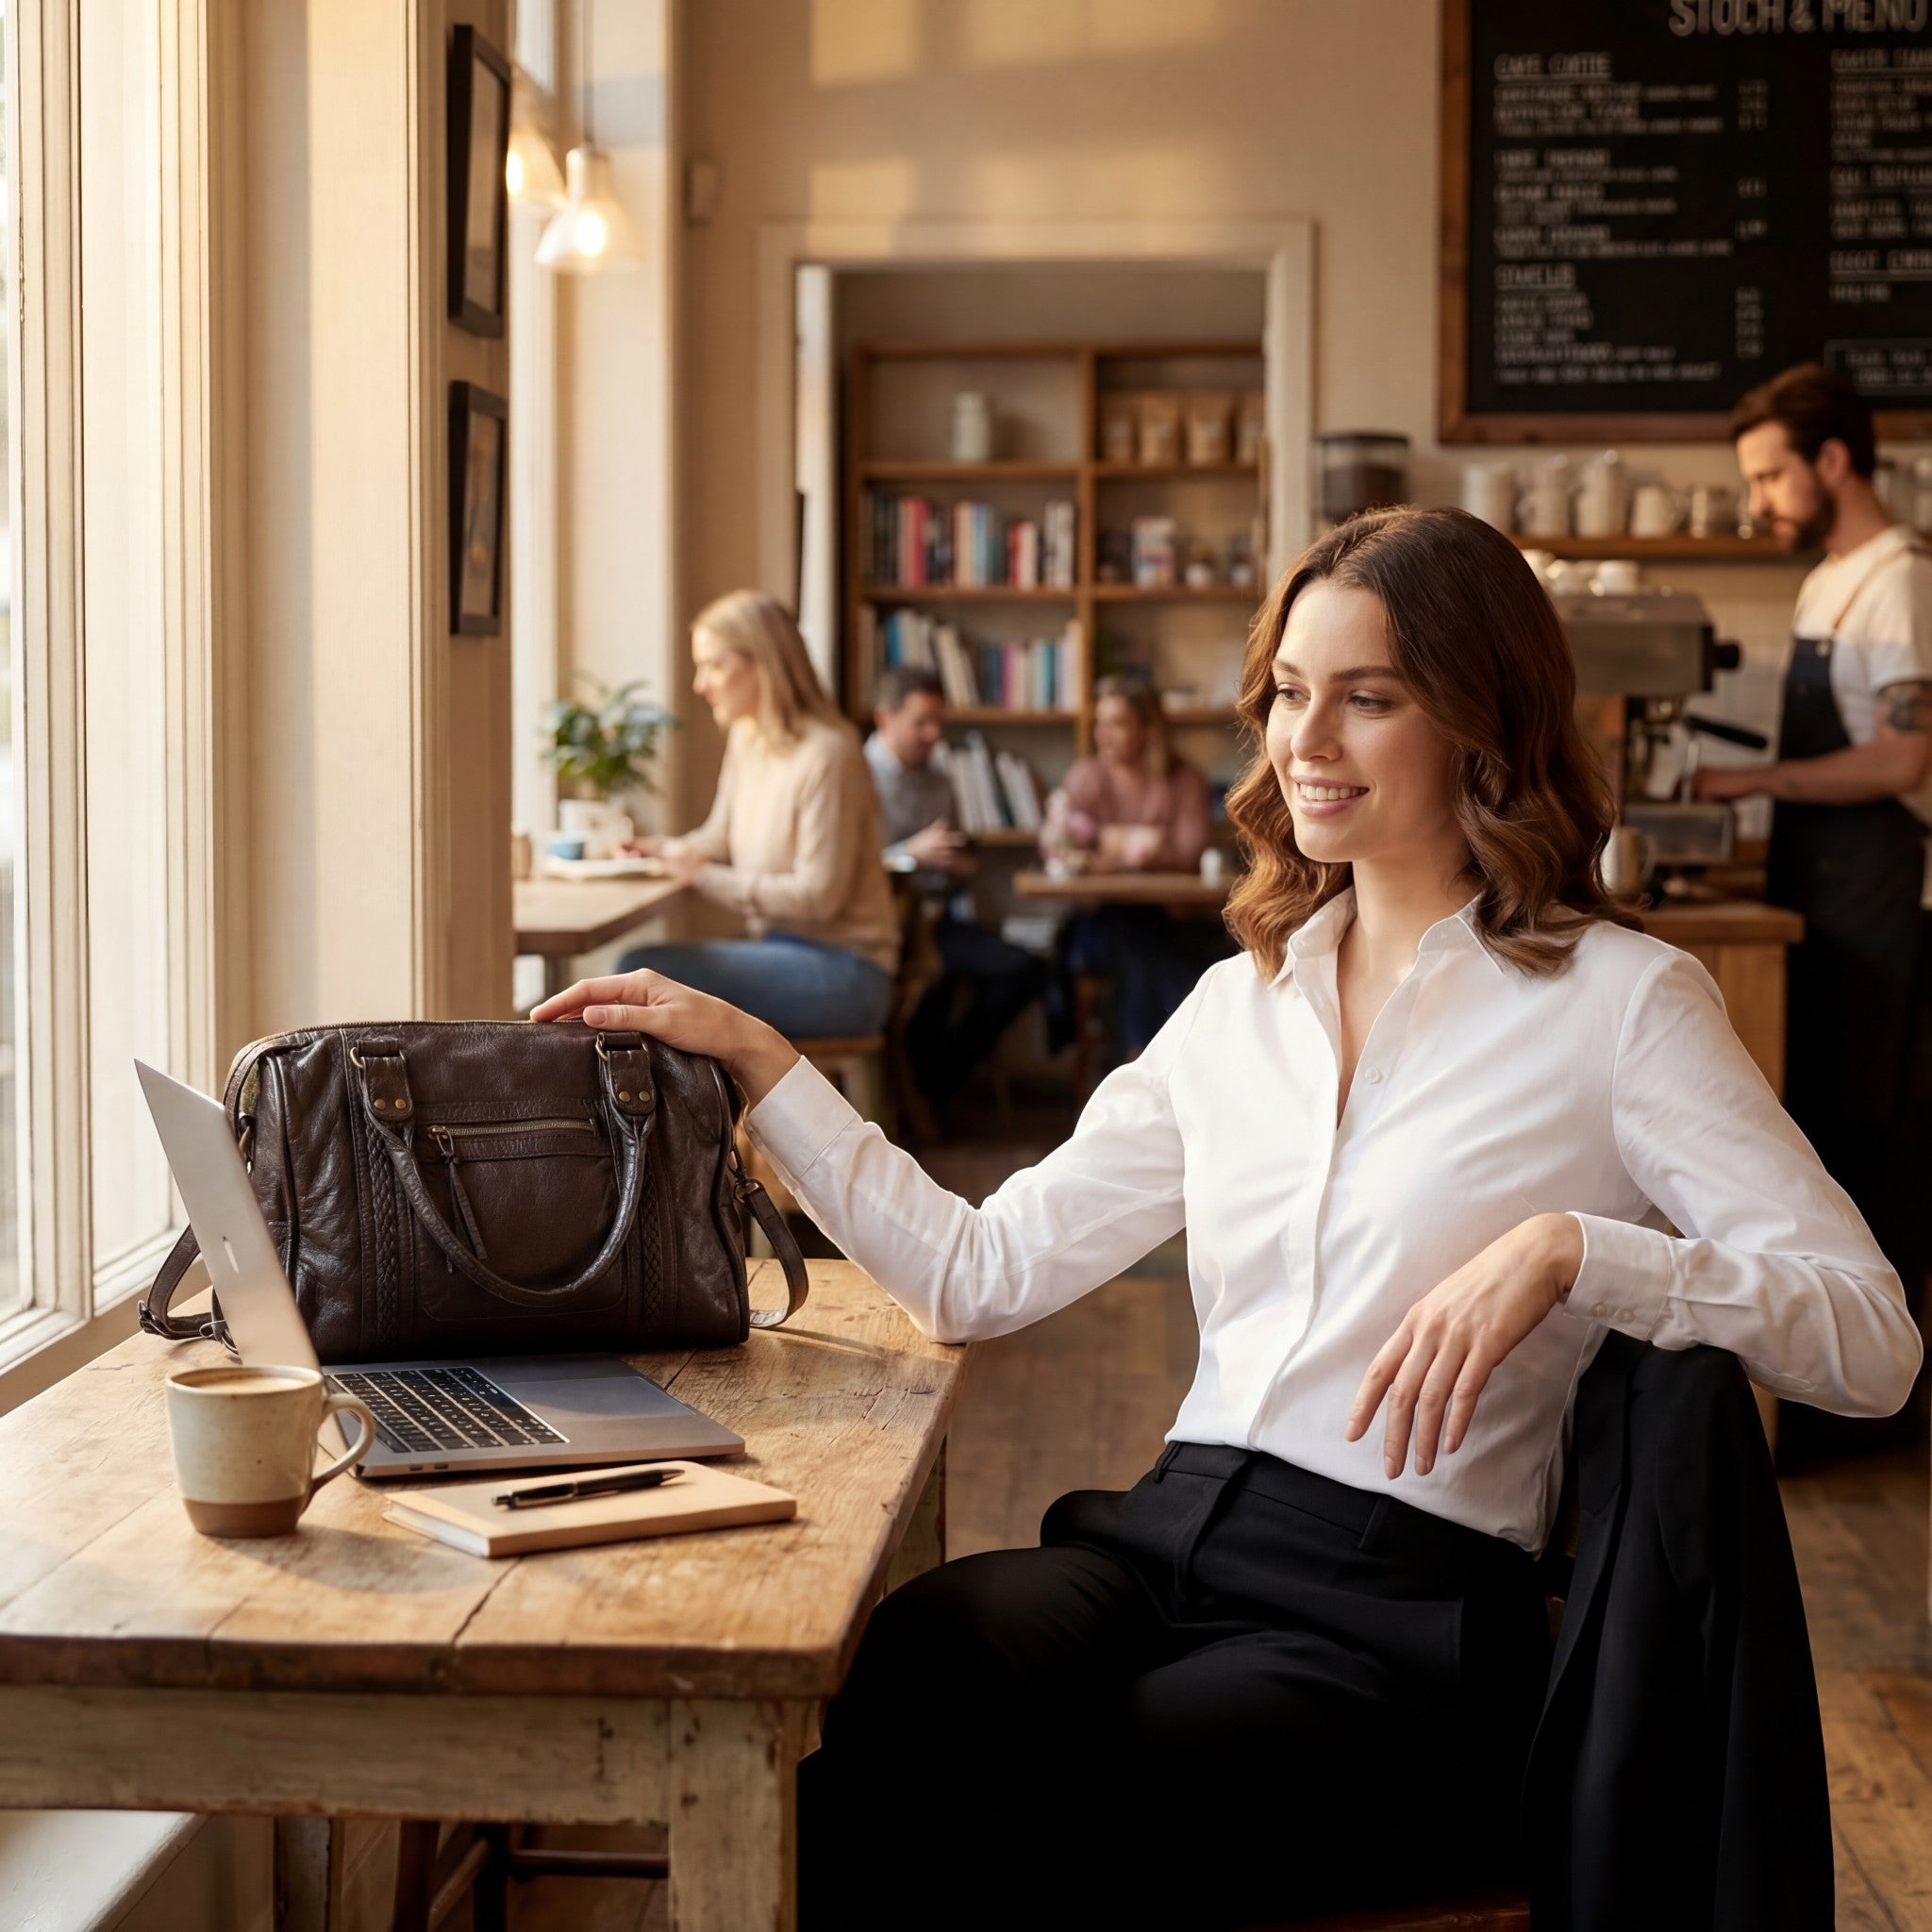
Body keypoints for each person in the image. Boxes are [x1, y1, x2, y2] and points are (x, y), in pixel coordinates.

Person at [535, 508, 1920, 1930]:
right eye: (1290, 694)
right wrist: (766, 1069)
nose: (1306, 740)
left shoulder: (1622, 1005)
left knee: (1076, 1791)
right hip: (1166, 1530)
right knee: (928, 1661)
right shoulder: (1233, 1008)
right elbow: (975, 1271)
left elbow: (1875, 1343)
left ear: (1483, 724)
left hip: (1400, 1611)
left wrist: (1582, 1250)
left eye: (1368, 699)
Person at [1700, 365, 1932, 1304]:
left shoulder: (1899, 582)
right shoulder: (1827, 583)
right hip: (1825, 882)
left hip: (1883, 889)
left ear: (1830, 460)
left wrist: (1749, 779)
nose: (1755, 502)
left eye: (1767, 477)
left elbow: (1898, 760)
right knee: (1825, 1122)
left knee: (1875, 1128)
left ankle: (1881, 1391)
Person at [614, 590, 899, 1039]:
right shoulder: (749, 740)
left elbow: (818, 896)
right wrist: (660, 851)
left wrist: (701, 875)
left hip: (845, 972)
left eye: (713, 664)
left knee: (635, 976)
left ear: (763, 662)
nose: (700, 683)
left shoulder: (829, 755)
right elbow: (718, 836)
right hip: (778, 949)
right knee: (637, 978)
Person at [864, 666, 1045, 1117]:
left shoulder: (939, 780)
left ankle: (935, 1087)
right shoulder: (855, 777)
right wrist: (910, 854)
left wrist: (960, 866)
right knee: (930, 985)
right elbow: (845, 870)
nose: (935, 734)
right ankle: (926, 1100)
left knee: (1025, 970)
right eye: (921, 722)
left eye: (938, 722)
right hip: (882, 927)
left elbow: (953, 864)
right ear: (885, 718)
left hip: (937, 918)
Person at [1040, 675, 1226, 1057]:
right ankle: (1176, 1053)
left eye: (1118, 724)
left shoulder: (1185, 780)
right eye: (1099, 723)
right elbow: (1061, 850)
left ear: (1147, 730)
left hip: (1173, 920)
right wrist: (1141, 845)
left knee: (1144, 941)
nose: (1102, 735)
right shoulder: (1087, 776)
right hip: (1102, 923)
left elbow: (1187, 853)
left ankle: (1137, 1060)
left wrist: (1108, 846)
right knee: (1137, 940)